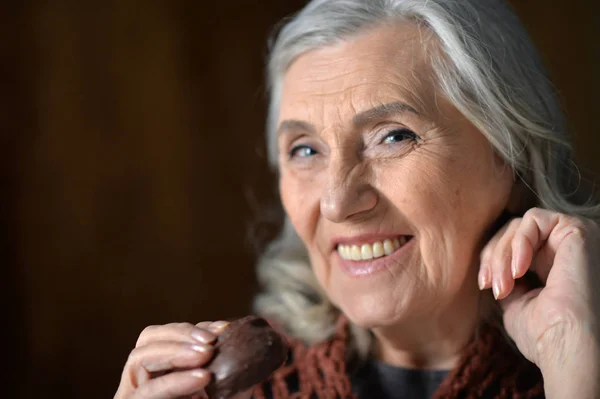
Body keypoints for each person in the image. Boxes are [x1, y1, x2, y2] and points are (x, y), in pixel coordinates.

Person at [114, 0, 600, 398]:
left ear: (511, 158)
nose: (336, 202)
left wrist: (570, 364)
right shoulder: (251, 391)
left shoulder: (580, 369)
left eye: (392, 137)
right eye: (305, 150)